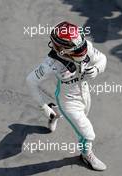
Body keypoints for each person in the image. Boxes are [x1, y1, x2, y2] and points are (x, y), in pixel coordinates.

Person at [26, 21, 107, 171]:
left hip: (84, 94)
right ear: (61, 49)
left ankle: (55, 113)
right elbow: (30, 81)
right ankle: (86, 155)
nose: (83, 52)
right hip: (68, 101)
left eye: (82, 46)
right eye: (77, 50)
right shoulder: (50, 64)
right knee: (87, 133)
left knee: (83, 119)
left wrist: (96, 69)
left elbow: (102, 59)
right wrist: (43, 106)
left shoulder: (85, 46)